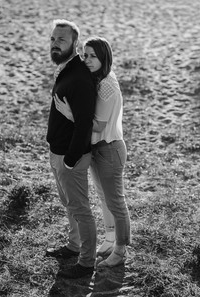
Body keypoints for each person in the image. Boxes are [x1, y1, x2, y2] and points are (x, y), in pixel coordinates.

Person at [54, 37, 131, 267]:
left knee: (116, 202)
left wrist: (69, 114)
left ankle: (120, 251)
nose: (86, 60)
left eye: (92, 56)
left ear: (104, 58)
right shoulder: (98, 78)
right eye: (84, 55)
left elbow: (96, 124)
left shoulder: (107, 85)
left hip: (110, 150)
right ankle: (109, 240)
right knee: (104, 198)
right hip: (99, 149)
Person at [42, 19, 98, 279]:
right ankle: (74, 246)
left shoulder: (79, 77)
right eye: (53, 39)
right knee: (69, 204)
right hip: (58, 151)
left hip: (70, 156)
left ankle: (87, 263)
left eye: (61, 40)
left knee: (80, 209)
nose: (54, 44)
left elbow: (85, 122)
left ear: (75, 43)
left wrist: (70, 160)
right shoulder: (66, 68)